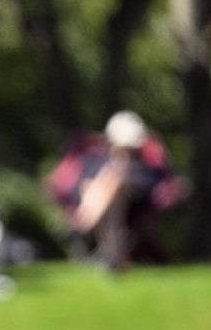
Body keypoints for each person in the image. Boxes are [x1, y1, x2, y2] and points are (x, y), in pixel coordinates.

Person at [46, 110, 186, 270]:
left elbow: (164, 185)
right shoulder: (97, 157)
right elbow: (82, 183)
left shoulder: (146, 163)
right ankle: (112, 253)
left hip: (135, 202)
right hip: (102, 202)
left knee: (116, 182)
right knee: (105, 183)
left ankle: (86, 226)